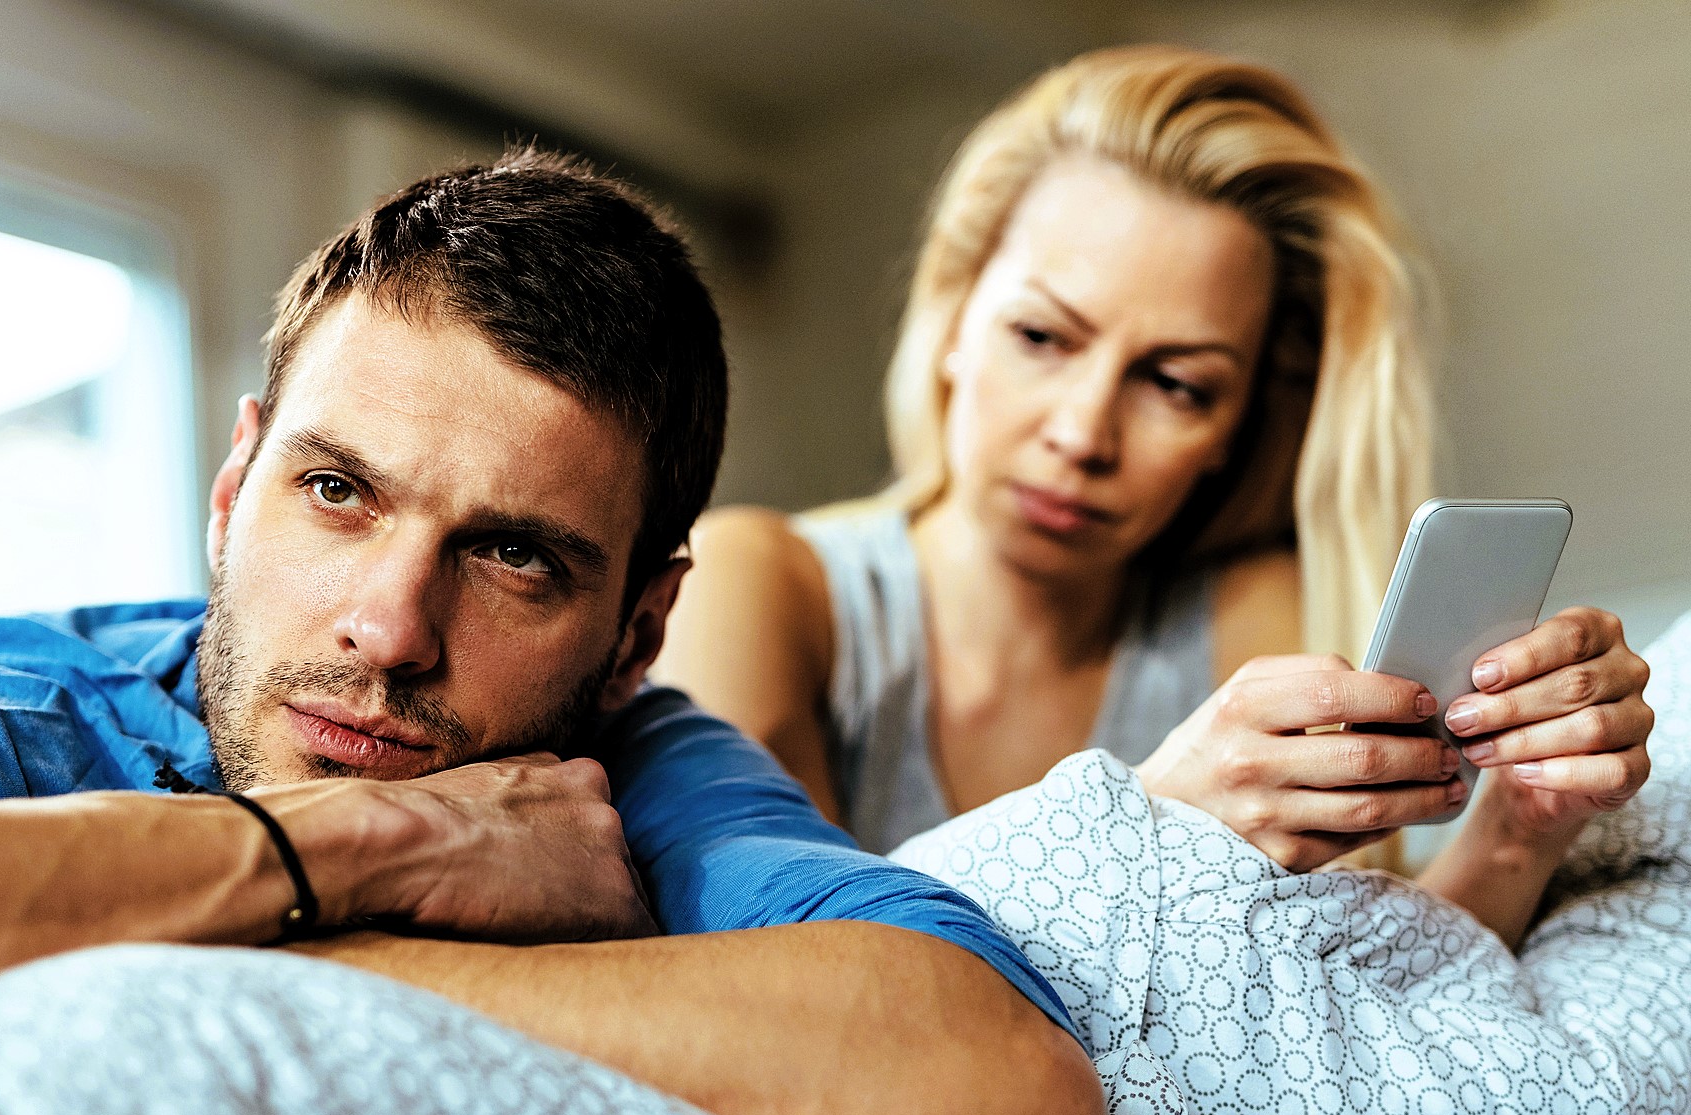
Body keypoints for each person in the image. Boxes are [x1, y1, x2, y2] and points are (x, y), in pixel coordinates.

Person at [0, 150, 1107, 1115]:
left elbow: (1009, 1107)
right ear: (235, 488)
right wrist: (381, 844)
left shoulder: (640, 769)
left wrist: (233, 949)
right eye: (335, 491)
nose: (388, 629)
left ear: (636, 630)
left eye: (512, 558)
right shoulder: (26, 698)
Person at [652, 45, 1650, 942]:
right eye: (1041, 338)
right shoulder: (759, 584)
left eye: (1176, 384)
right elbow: (793, 970)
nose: (1081, 434)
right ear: (952, 321)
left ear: (1231, 432)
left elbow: (1364, 1037)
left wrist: (1523, 823)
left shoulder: (1248, 623)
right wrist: (1146, 817)